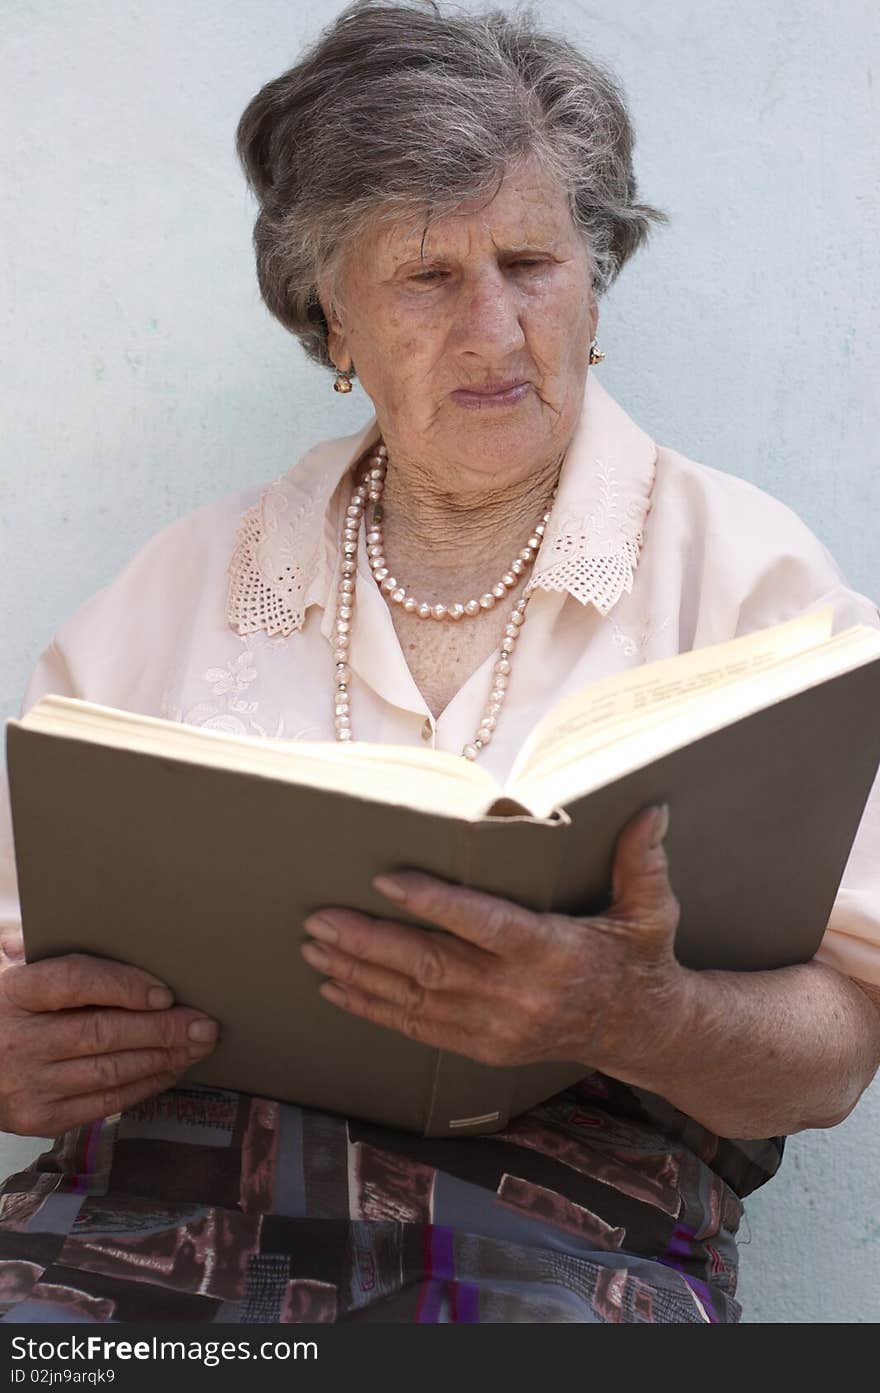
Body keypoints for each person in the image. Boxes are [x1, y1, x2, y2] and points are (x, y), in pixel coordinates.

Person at [0, 1, 878, 1324]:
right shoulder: (184, 585)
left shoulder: (751, 580)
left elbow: (841, 1051)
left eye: (530, 260)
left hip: (573, 1247)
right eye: (425, 276)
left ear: (596, 285)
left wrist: (635, 1020)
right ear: (330, 318)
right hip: (148, 1213)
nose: (492, 328)